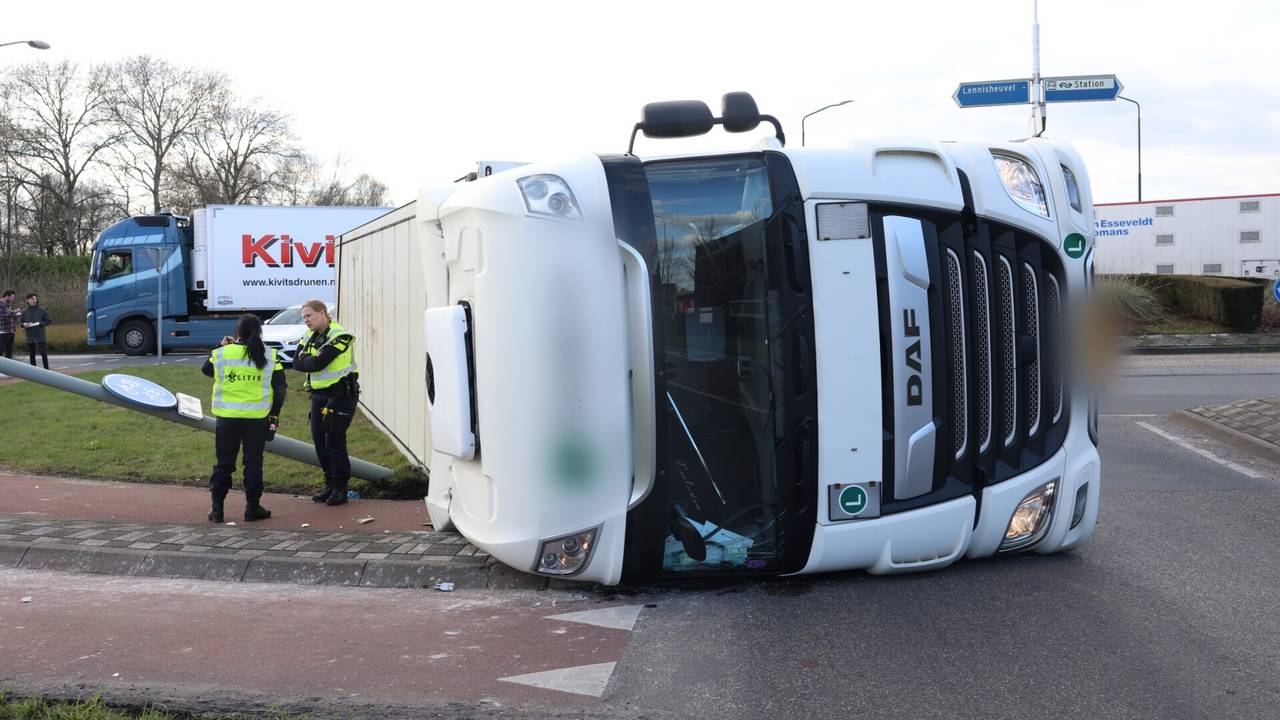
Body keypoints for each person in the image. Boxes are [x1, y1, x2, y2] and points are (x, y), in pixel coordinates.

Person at [202, 314, 287, 523]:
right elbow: (280, 389)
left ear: (236, 333)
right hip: (257, 419)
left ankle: (217, 510)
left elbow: (206, 369)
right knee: (253, 463)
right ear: (259, 332)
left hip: (227, 418)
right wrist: (273, 418)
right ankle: (252, 508)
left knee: (224, 464)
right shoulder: (270, 355)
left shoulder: (222, 353)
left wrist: (221, 345)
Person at [291, 300, 358, 506]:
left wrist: (307, 359)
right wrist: (308, 360)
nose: (306, 321)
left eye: (309, 316)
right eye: (303, 317)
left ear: (322, 313)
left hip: (340, 396)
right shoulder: (309, 335)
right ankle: (329, 483)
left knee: (334, 442)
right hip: (319, 396)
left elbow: (319, 363)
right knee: (320, 442)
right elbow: (296, 363)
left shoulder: (340, 336)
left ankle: (340, 488)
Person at [20, 293, 51, 369]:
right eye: (32, 299)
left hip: (40, 334)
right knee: (32, 354)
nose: (34, 300)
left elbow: (49, 321)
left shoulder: (42, 310)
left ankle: (46, 369)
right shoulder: (24, 311)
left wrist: (40, 323)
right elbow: (20, 323)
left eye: (35, 299)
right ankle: (33, 370)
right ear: (27, 300)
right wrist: (24, 324)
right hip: (30, 335)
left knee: (43, 352)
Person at [0, 290, 19, 360]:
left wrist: (16, 315)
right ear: (7, 296)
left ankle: (7, 370)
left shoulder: (8, 305)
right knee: (1, 351)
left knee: (9, 353)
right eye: (12, 297)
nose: (13, 300)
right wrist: (14, 312)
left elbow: (9, 317)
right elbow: (1, 316)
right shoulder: (0, 304)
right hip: (3, 332)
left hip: (11, 331)